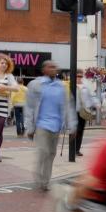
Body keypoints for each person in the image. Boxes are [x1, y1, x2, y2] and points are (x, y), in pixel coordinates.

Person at [24, 61, 77, 192]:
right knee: (43, 152)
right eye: (51, 67)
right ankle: (39, 178)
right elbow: (29, 107)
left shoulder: (61, 87)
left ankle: (45, 182)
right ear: (44, 70)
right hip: (41, 125)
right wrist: (29, 128)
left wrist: (72, 126)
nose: (54, 69)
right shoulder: (36, 85)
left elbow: (69, 107)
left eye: (55, 67)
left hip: (56, 126)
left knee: (51, 154)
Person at [74, 70, 98, 157]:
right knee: (74, 130)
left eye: (80, 76)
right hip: (73, 111)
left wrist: (96, 104)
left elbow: (91, 97)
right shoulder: (71, 85)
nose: (79, 78)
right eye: (77, 76)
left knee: (80, 131)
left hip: (83, 111)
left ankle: (77, 149)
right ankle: (72, 149)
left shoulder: (85, 87)